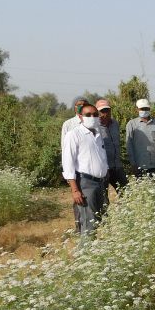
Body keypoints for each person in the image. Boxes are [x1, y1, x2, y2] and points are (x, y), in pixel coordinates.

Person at [61, 103, 108, 235]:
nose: (92, 117)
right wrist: (75, 189)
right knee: (89, 222)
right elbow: (68, 163)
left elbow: (101, 157)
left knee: (99, 219)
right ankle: (85, 251)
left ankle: (94, 251)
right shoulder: (74, 135)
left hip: (100, 182)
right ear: (81, 116)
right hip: (86, 183)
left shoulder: (98, 134)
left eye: (95, 114)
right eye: (88, 115)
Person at [61, 95, 88, 232]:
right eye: (78, 105)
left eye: (84, 104)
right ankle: (79, 227)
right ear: (74, 108)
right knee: (77, 198)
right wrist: (67, 173)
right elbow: (64, 150)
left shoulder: (92, 122)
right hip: (75, 168)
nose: (81, 106)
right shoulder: (68, 124)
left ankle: (89, 226)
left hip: (88, 169)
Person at [96, 99, 128, 198]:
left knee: (126, 192)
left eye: (107, 110)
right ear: (97, 112)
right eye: (102, 111)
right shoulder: (94, 127)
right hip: (104, 168)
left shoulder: (115, 124)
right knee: (103, 198)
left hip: (117, 166)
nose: (105, 114)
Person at [126, 98, 155, 178]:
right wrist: (133, 164)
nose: (144, 110)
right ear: (137, 109)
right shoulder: (132, 124)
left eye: (146, 108)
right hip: (139, 165)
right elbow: (129, 146)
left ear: (149, 109)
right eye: (142, 109)